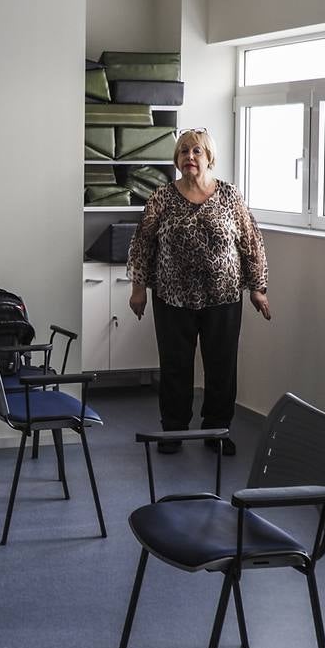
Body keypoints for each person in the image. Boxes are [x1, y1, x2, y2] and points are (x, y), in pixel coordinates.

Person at [126, 128, 270, 455]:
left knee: (222, 367)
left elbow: (250, 242)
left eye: (196, 152)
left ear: (209, 158)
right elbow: (142, 245)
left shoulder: (231, 196)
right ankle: (173, 432)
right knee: (175, 366)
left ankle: (217, 432)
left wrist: (257, 288)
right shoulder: (161, 197)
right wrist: (138, 289)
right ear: (176, 160)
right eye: (183, 152)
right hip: (172, 297)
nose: (189, 157)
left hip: (224, 297)